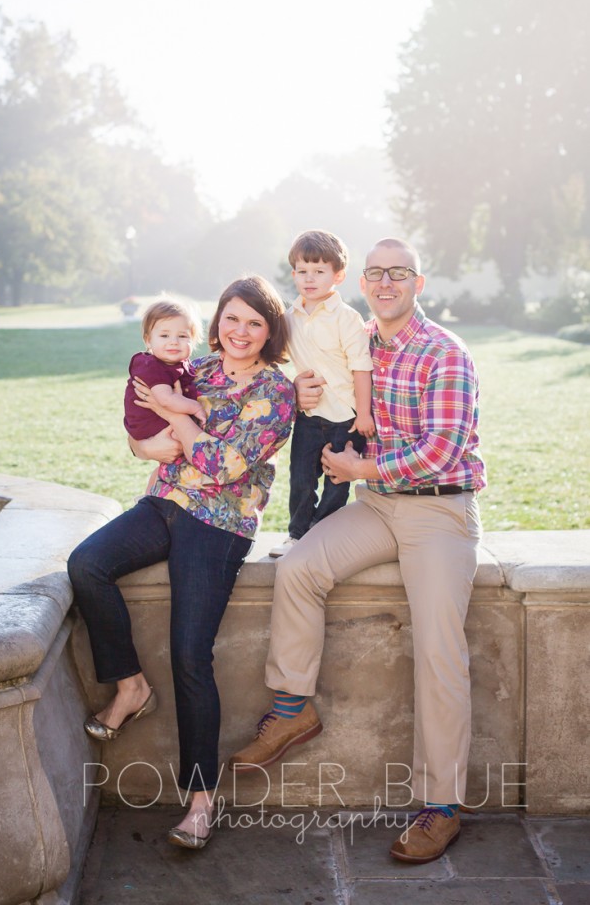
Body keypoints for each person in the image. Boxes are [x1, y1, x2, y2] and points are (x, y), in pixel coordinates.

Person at [229, 238, 486, 865]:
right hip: (377, 506)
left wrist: (360, 467)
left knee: (438, 648)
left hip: (438, 509)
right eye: (376, 274)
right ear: (362, 283)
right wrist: (309, 395)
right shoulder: (353, 334)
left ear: (418, 284)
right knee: (298, 568)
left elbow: (442, 450)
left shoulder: (445, 353)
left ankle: (442, 806)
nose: (386, 283)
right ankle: (292, 708)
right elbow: (320, 388)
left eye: (398, 274)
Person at [68, 276, 296, 850]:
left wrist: (181, 419)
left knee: (191, 654)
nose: (239, 332)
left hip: (219, 523)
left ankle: (200, 800)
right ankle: (130, 686)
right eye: (232, 319)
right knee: (87, 563)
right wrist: (149, 439)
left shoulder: (276, 391)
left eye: (254, 323)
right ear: (216, 321)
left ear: (270, 331)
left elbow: (223, 465)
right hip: (165, 501)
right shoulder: (196, 370)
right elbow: (143, 425)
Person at [270, 230, 374, 559]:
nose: (310, 279)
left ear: (338, 275)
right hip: (310, 416)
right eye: (303, 271)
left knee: (336, 483)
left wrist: (364, 413)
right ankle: (297, 535)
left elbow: (361, 367)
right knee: (301, 478)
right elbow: (276, 363)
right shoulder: (288, 319)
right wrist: (293, 386)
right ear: (293, 275)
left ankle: (322, 538)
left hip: (346, 416)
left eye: (319, 271)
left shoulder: (347, 318)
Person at [123, 298, 206, 441]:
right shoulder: (150, 366)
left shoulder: (182, 364)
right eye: (164, 335)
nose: (173, 341)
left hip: (163, 420)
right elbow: (166, 399)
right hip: (148, 424)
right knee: (182, 439)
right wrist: (196, 408)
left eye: (182, 336)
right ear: (148, 340)